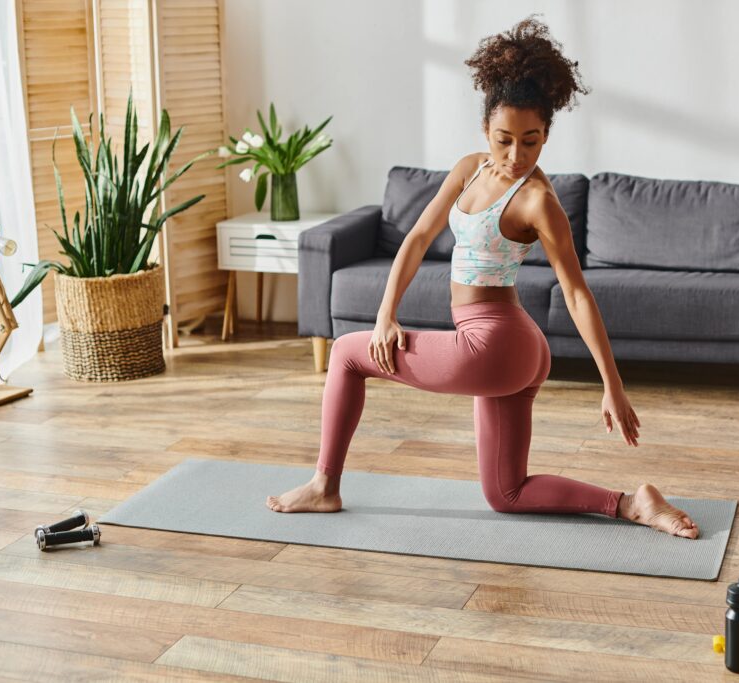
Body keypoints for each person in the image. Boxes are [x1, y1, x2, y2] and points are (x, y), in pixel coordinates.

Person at [267, 15, 699, 539]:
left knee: (345, 354)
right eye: (504, 140)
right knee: (506, 493)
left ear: (547, 135)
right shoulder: (469, 167)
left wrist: (613, 385)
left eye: (532, 142)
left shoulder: (539, 201)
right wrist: (387, 313)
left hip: (495, 345)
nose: (516, 156)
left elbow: (577, 292)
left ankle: (324, 485)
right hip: (510, 345)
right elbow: (418, 238)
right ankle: (633, 503)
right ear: (485, 130)